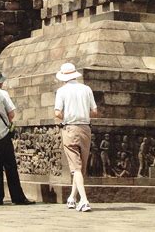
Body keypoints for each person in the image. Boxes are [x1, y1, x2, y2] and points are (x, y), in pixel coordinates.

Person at [54, 62, 97, 212]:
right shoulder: (86, 89)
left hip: (70, 128)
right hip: (85, 128)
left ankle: (84, 200)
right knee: (80, 167)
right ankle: (72, 198)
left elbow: (57, 113)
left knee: (76, 167)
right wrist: (82, 113)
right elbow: (94, 111)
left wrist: (69, 116)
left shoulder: (62, 91)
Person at [0, 70, 35, 205]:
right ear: (0, 82)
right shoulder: (2, 94)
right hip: (2, 134)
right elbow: (11, 114)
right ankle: (17, 196)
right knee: (10, 166)